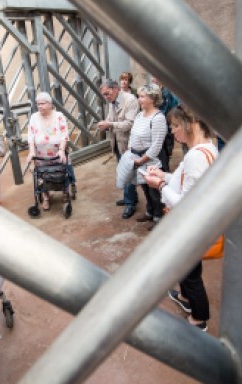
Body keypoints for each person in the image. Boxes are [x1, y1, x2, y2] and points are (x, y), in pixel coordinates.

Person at [144, 104, 218, 331]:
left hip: (190, 225)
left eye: (175, 126)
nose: (173, 131)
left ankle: (199, 319)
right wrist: (164, 175)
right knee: (186, 268)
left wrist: (160, 184)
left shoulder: (196, 156)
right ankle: (186, 300)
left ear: (191, 124)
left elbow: (187, 203)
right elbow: (183, 181)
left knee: (190, 273)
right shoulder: (206, 149)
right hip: (194, 224)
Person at [98, 79, 139, 219]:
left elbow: (130, 123)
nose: (106, 97)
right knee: (123, 171)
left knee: (128, 173)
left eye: (107, 94)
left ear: (116, 89)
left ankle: (130, 203)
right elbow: (111, 118)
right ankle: (131, 197)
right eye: (103, 95)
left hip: (128, 143)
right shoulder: (112, 101)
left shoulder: (130, 100)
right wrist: (106, 123)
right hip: (117, 142)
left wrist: (109, 124)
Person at [128, 84, 167, 229]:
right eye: (139, 96)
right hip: (138, 158)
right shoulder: (139, 115)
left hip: (150, 161)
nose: (139, 99)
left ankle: (159, 218)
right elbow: (133, 134)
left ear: (152, 98)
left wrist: (141, 160)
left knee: (155, 191)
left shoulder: (158, 118)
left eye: (142, 96)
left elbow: (156, 145)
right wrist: (130, 152)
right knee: (145, 188)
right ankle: (150, 212)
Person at [27, 92, 71, 211]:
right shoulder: (34, 117)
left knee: (61, 172)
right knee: (42, 175)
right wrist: (31, 152)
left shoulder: (59, 116)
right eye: (38, 104)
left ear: (50, 104)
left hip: (57, 153)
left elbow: (64, 134)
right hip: (41, 156)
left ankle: (64, 193)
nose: (39, 106)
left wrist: (62, 150)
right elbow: (30, 136)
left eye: (42, 104)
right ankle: (45, 197)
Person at [151, 76, 178, 171]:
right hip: (160, 125)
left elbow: (164, 111)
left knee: (166, 151)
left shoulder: (166, 92)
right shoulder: (156, 90)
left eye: (154, 76)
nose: (152, 79)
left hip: (166, 126)